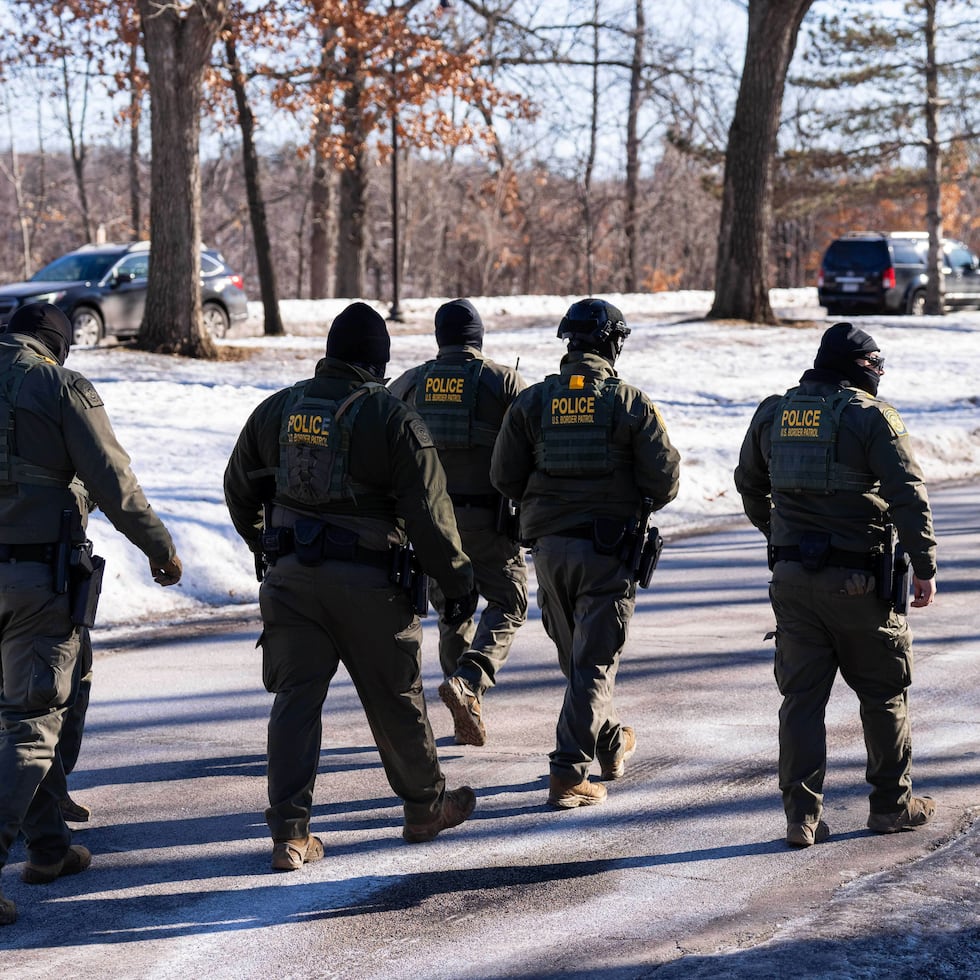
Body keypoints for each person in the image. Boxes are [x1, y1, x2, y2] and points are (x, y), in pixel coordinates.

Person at [223, 302, 479, 870]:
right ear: (378, 364)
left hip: (290, 582)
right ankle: (424, 808)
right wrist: (457, 581)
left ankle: (290, 834)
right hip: (370, 587)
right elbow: (429, 514)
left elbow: (238, 486)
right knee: (396, 699)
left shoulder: (279, 409)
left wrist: (267, 545)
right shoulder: (393, 419)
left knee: (295, 703)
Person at [0, 303, 182, 927]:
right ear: (56, 344)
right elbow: (112, 479)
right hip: (35, 581)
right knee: (33, 722)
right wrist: (159, 547)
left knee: (14, 715)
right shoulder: (59, 387)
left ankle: (49, 848)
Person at [734, 322, 938, 848]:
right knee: (883, 693)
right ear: (857, 367)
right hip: (859, 583)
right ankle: (892, 807)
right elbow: (907, 492)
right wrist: (924, 564)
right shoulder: (871, 416)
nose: (879, 373)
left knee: (801, 700)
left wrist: (778, 536)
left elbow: (748, 483)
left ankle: (801, 818)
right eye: (875, 364)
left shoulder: (775, 412)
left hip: (792, 582)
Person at [490, 298, 680, 808]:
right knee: (593, 663)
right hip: (607, 553)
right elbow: (665, 481)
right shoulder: (630, 402)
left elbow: (503, 476)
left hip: (549, 552)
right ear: (613, 344)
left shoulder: (532, 402)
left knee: (580, 659)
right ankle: (568, 773)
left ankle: (610, 742)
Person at [388, 299, 528, 746]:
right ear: (478, 338)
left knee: (454, 605)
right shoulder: (503, 381)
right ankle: (469, 680)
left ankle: (464, 701)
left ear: (440, 338)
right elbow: (533, 444)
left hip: (431, 525)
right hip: (489, 521)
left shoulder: (410, 382)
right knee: (509, 602)